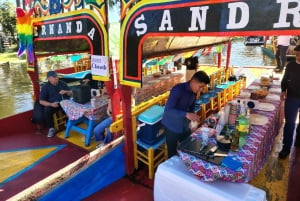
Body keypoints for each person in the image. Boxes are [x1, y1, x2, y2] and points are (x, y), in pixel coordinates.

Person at [161, 71, 210, 158]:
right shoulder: (178, 89)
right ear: (194, 82)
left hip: (184, 124)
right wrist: (186, 114)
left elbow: (192, 106)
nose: (201, 90)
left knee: (189, 147)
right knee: (172, 153)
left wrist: (192, 119)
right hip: (171, 125)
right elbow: (168, 110)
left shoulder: (194, 92)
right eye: (201, 87)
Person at [279, 45, 300, 159]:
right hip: (292, 97)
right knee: (290, 123)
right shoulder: (291, 65)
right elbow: (285, 79)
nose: (298, 56)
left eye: (299, 54)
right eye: (296, 54)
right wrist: (283, 90)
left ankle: (298, 142)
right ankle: (286, 147)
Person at [39, 71, 72, 137]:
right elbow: (41, 101)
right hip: (54, 104)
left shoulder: (62, 83)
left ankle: (68, 122)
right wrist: (51, 104)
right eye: (54, 77)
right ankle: (51, 128)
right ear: (49, 79)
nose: (56, 78)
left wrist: (66, 92)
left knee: (73, 104)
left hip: (65, 102)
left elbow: (71, 93)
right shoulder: (45, 87)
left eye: (56, 76)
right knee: (47, 110)